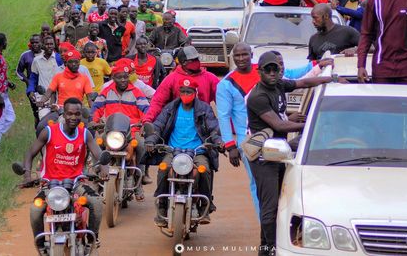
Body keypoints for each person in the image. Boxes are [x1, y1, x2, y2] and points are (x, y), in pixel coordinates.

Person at [246, 52, 339, 255]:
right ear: (259, 71)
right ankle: (271, 249)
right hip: (264, 158)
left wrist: (331, 78)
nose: (272, 73)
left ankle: (266, 248)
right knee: (270, 209)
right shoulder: (257, 96)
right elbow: (279, 124)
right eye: (268, 69)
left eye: (276, 69)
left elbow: (304, 83)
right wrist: (313, 124)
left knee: (282, 204)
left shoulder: (279, 84)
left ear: (280, 70)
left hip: (280, 152)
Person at [22, 98, 109, 252]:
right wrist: (27, 175)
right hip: (50, 184)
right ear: (64, 114)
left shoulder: (85, 134)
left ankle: (92, 238)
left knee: (95, 202)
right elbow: (30, 153)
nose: (73, 118)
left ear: (81, 115)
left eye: (77, 114)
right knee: (35, 210)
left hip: (76, 184)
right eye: (69, 114)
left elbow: (98, 153)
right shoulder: (49, 132)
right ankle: (41, 245)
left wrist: (104, 168)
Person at [145, 76, 223, 226]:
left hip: (197, 152)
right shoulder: (170, 108)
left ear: (196, 92)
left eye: (189, 91)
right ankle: (161, 205)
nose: (186, 94)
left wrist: (217, 141)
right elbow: (158, 125)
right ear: (179, 92)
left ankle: (204, 207)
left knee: (204, 170)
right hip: (172, 151)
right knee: (163, 169)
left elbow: (214, 128)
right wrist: (151, 140)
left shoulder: (204, 109)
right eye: (183, 91)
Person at [91, 60, 149, 201]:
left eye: (125, 77)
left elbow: (147, 110)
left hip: (131, 132)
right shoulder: (106, 91)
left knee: (141, 145)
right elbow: (96, 108)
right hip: (110, 131)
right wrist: (94, 120)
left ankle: (138, 178)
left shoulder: (136, 93)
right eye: (119, 77)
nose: (123, 80)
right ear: (113, 78)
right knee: (96, 143)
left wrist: (144, 123)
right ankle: (96, 174)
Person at [216, 43, 261, 216]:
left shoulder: (264, 71)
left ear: (251, 54)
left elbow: (290, 75)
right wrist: (230, 146)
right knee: (257, 184)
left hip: (273, 136)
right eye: (237, 56)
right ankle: (265, 228)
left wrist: (317, 66)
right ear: (232, 58)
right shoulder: (226, 84)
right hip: (247, 141)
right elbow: (224, 116)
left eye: (244, 55)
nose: (241, 59)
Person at [143, 46, 219, 124]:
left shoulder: (210, 78)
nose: (196, 61)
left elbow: (224, 103)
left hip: (203, 122)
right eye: (192, 60)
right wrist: (148, 120)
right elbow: (157, 102)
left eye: (196, 59)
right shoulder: (171, 79)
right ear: (183, 62)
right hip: (177, 123)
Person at [16, 34, 43, 125]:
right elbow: (18, 71)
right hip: (32, 90)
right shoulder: (25, 55)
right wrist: (27, 81)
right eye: (32, 43)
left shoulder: (46, 53)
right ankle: (38, 133)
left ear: (41, 42)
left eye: (37, 42)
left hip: (46, 88)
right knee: (36, 113)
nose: (35, 44)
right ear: (30, 44)